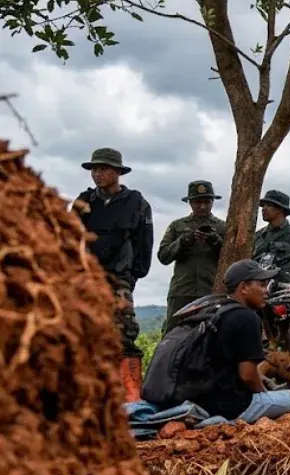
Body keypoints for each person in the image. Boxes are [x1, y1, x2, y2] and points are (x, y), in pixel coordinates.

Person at [191, 259, 290, 422]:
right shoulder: (247, 317)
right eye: (262, 285)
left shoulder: (216, 312)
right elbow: (247, 376)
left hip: (206, 400)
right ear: (243, 287)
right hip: (234, 407)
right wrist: (264, 394)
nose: (266, 291)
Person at [75, 147, 154, 403]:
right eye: (94, 169)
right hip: (87, 278)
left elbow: (145, 243)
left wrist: (133, 275)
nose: (97, 174)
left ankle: (130, 397)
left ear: (117, 172)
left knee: (125, 333)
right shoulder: (83, 202)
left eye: (103, 169)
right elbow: (66, 236)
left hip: (120, 278)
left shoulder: (137, 203)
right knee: (83, 331)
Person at [158, 180, 227, 333]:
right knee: (173, 333)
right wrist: (184, 241)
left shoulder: (223, 227)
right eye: (197, 202)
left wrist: (215, 241)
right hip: (182, 292)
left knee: (213, 333)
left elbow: (230, 260)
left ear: (212, 202)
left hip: (211, 291)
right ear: (190, 202)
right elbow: (163, 256)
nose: (202, 206)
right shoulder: (177, 226)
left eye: (206, 202)